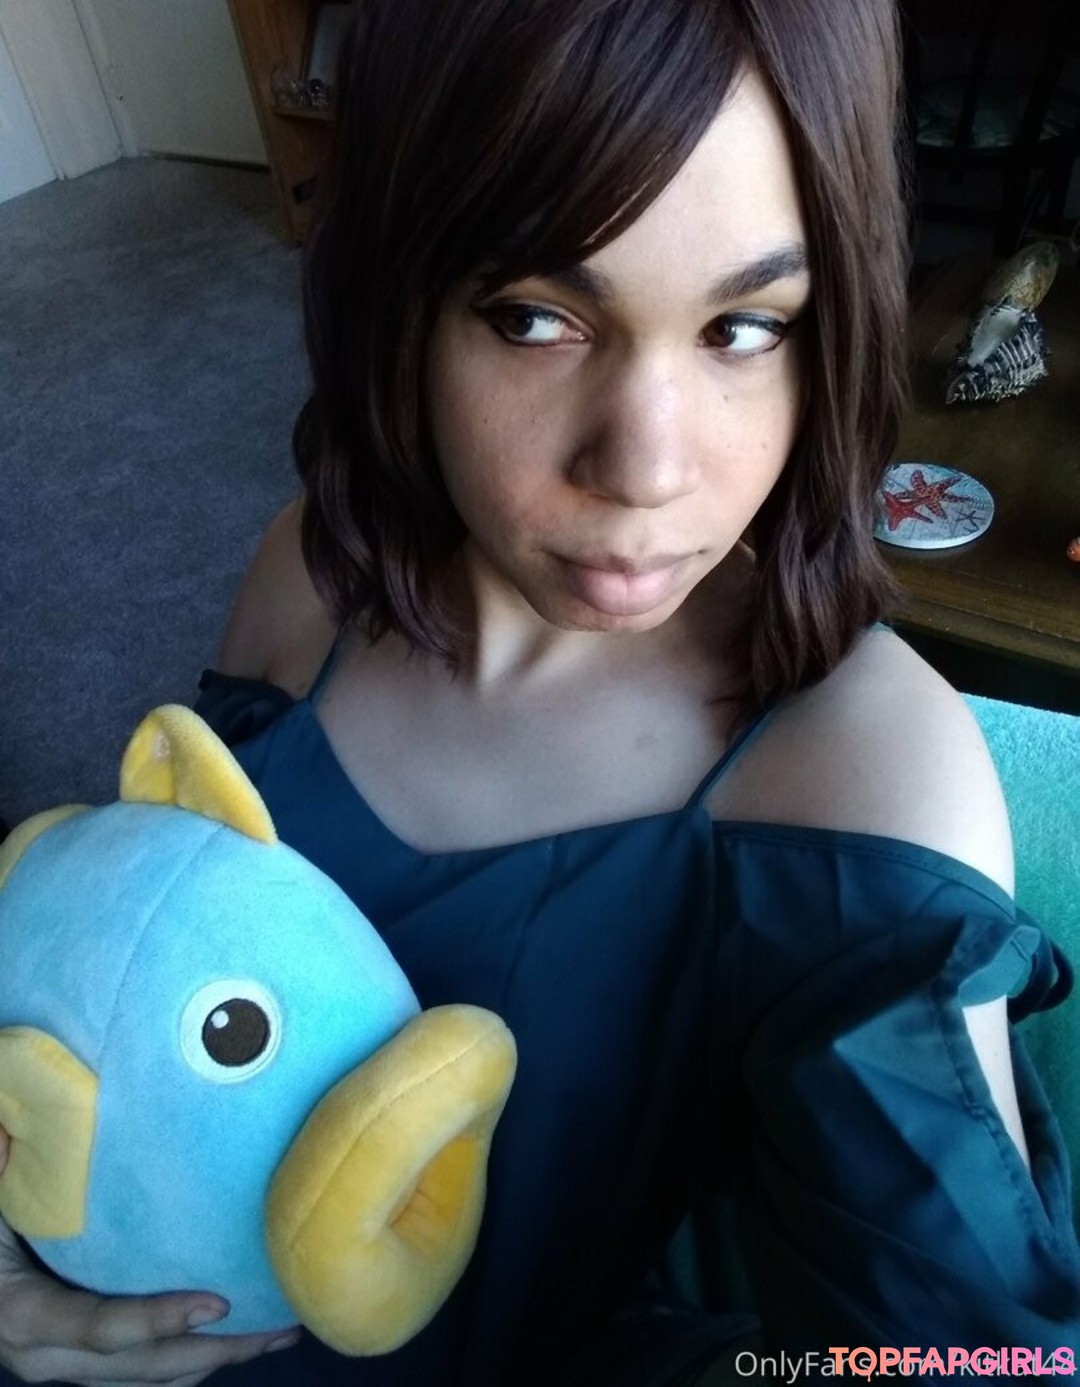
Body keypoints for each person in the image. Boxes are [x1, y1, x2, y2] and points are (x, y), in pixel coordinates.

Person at [2, 0, 1079, 1382]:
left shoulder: (858, 776)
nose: (646, 469)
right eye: (536, 318)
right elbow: (126, 962)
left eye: (746, 327)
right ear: (399, 293)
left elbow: (955, 1360)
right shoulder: (307, 581)